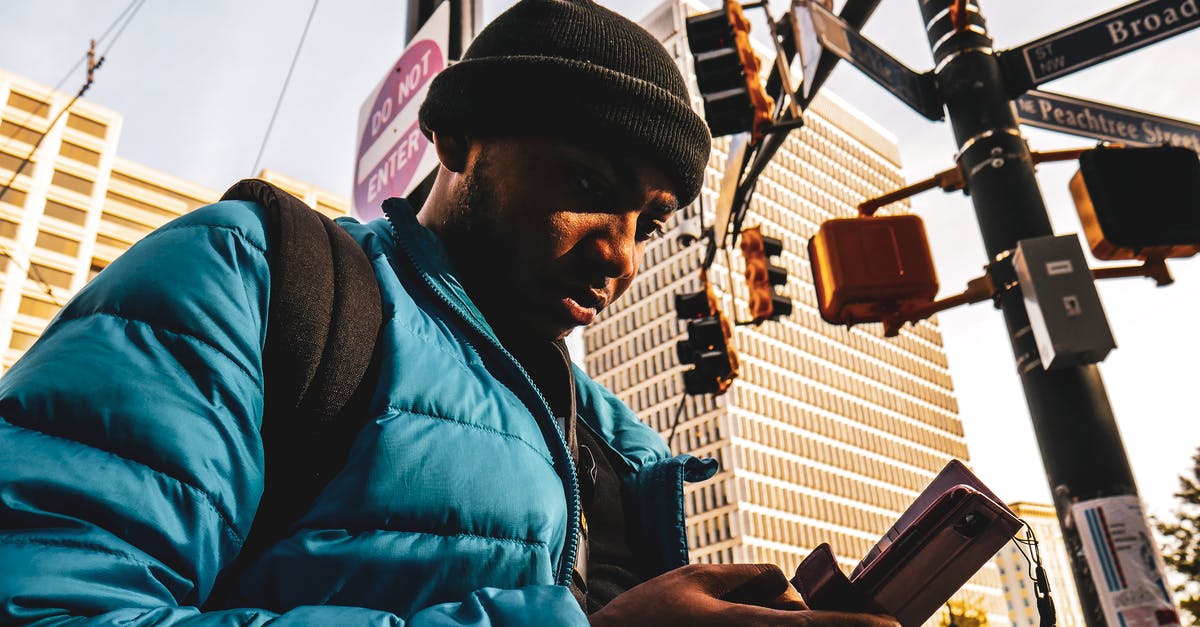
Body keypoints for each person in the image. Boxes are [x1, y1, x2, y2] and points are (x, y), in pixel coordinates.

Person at [0, 0, 898, 625]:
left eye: (649, 222)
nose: (620, 253)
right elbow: (51, 602)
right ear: (459, 137)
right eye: (589, 187)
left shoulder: (624, 449)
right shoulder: (260, 278)